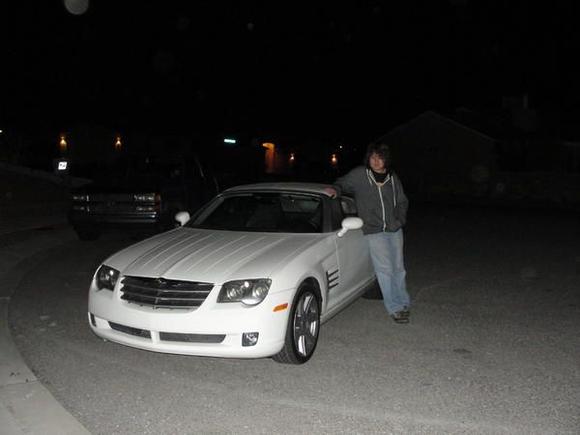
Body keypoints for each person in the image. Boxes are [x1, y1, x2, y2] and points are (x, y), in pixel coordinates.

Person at [326, 142, 410, 323]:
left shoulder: (392, 177)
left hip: (394, 230)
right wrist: (335, 189)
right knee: (385, 270)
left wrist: (399, 220)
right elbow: (341, 183)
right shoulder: (360, 175)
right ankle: (394, 308)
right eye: (372, 157)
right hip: (373, 231)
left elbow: (402, 201)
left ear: (386, 159)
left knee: (398, 269)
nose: (375, 161)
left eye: (379, 157)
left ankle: (403, 302)